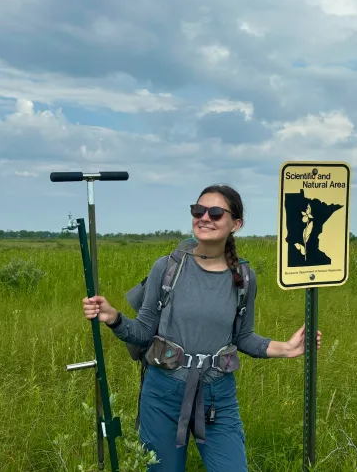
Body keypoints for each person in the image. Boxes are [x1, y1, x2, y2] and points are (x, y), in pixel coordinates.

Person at [82, 184, 322, 471]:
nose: (205, 217)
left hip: (216, 395)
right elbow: (144, 332)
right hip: (162, 393)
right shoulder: (167, 267)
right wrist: (114, 318)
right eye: (198, 210)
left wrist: (286, 348)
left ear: (236, 224)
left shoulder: (244, 276)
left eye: (216, 212)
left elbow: (243, 337)